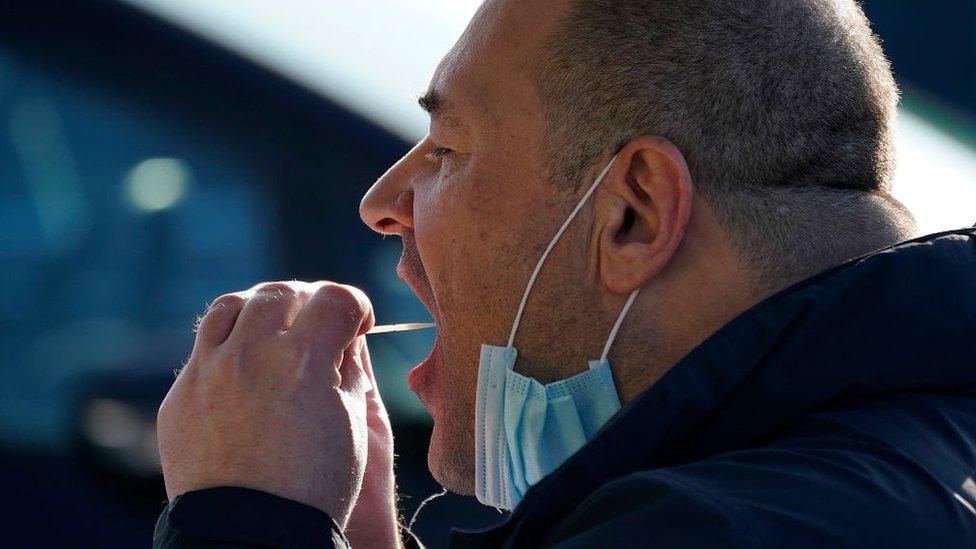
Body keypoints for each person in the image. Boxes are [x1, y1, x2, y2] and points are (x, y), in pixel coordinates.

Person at [152, 0, 976, 547]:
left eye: (447, 150)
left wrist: (245, 518)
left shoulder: (707, 531)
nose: (383, 202)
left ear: (633, 214)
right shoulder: (903, 453)